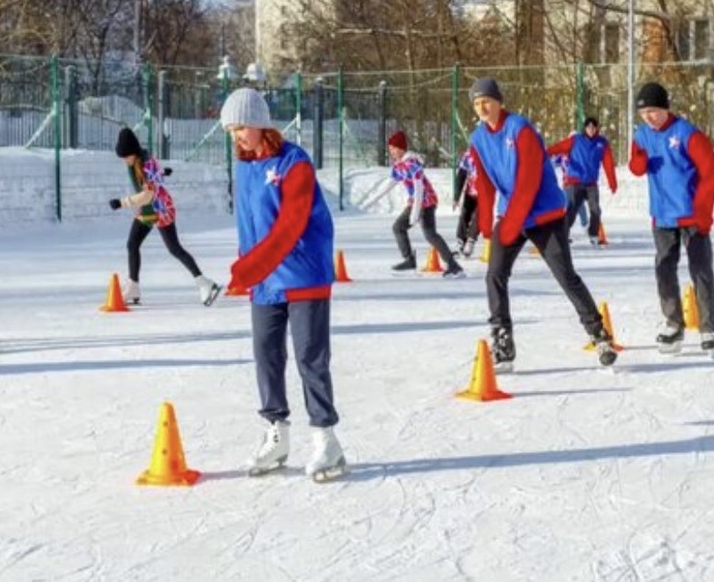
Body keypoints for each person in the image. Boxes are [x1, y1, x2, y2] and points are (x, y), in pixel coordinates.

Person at [220, 87, 347, 482]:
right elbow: (250, 224)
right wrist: (250, 268)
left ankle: (326, 439)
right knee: (266, 355)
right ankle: (276, 433)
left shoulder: (295, 164)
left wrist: (246, 270)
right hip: (265, 280)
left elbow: (289, 228)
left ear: (259, 123)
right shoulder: (244, 168)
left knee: (310, 357)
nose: (236, 136)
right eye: (231, 130)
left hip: (303, 273)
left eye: (241, 127)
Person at [466, 77, 617, 371]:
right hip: (511, 213)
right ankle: (503, 343)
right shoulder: (478, 139)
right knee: (494, 275)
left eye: (486, 100)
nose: (482, 107)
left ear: (499, 101)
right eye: (476, 103)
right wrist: (486, 221)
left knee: (565, 275)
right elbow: (483, 183)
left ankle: (599, 335)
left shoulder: (520, 129)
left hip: (544, 213)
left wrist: (511, 223)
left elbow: (529, 181)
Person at [628, 82, 714, 354]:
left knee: (701, 270)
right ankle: (673, 323)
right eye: (644, 112)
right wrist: (638, 163)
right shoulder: (642, 134)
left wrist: (702, 211)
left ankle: (708, 328)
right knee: (664, 269)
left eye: (654, 111)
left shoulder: (687, 134)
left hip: (691, 214)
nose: (649, 117)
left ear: (665, 108)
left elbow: (713, 173)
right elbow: (637, 165)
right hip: (662, 216)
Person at [108, 127, 221, 307]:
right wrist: (162, 174)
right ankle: (134, 285)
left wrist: (122, 202)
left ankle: (205, 283)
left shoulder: (144, 165)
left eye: (125, 156)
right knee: (133, 244)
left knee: (174, 248)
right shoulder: (138, 162)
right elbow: (153, 179)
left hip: (160, 209)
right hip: (147, 210)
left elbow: (147, 195)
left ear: (133, 152)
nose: (124, 161)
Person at [361, 131, 465, 278]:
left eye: (393, 149)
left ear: (401, 148)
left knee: (430, 235)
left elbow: (419, 189)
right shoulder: (399, 166)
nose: (391, 152)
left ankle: (454, 266)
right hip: (415, 202)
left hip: (426, 202)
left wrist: (415, 212)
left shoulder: (412, 165)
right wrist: (371, 200)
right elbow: (389, 184)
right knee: (398, 227)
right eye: (390, 149)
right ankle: (409, 259)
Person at [547, 117, 618, 247]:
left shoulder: (602, 143)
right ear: (585, 128)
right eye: (588, 127)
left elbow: (608, 164)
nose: (591, 129)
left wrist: (612, 182)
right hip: (575, 182)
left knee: (595, 209)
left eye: (593, 127)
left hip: (591, 183)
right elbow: (558, 147)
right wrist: (544, 153)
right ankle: (563, 234)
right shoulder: (576, 140)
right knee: (572, 210)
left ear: (597, 129)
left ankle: (593, 234)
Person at [452, 147, 481, 257]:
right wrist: (456, 196)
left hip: (485, 194)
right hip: (471, 192)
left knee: (478, 216)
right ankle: (460, 241)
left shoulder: (491, 154)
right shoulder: (468, 156)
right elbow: (461, 176)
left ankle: (471, 241)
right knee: (464, 214)